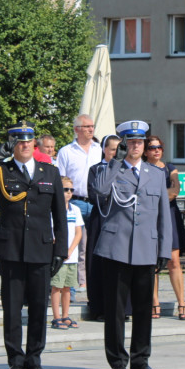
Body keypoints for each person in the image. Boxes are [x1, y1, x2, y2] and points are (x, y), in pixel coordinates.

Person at [0, 120, 67, 369]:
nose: (24, 145)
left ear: (34, 143)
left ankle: (34, 359)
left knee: (38, 306)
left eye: (27, 141)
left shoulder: (50, 172)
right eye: (18, 141)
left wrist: (62, 250)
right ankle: (15, 360)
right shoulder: (3, 171)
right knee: (12, 308)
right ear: (12, 145)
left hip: (41, 247)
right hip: (11, 248)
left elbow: (59, 214)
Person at [89, 120, 172, 369]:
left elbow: (163, 216)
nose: (136, 146)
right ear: (123, 144)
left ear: (145, 145)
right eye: (131, 142)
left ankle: (140, 359)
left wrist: (164, 250)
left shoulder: (156, 174)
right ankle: (117, 361)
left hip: (146, 248)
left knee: (143, 308)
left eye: (140, 142)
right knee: (115, 309)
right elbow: (99, 191)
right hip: (116, 247)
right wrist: (116, 161)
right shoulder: (111, 170)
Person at [144, 133, 185, 320]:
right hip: (149, 217)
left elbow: (175, 190)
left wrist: (154, 196)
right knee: (152, 262)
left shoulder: (170, 168)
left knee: (174, 261)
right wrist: (163, 194)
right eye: (152, 148)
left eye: (159, 147)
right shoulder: (143, 169)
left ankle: (182, 303)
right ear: (146, 151)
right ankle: (155, 302)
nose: (156, 151)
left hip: (169, 215)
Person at [84, 134, 119, 321]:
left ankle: (121, 307)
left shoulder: (124, 169)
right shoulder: (96, 169)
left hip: (120, 218)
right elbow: (93, 193)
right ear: (104, 149)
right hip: (101, 217)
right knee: (96, 261)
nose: (115, 153)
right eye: (112, 149)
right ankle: (98, 306)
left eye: (118, 149)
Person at [56, 114, 102, 225]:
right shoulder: (66, 151)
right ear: (77, 129)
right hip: (74, 201)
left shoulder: (100, 150)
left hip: (96, 202)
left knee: (94, 240)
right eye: (87, 126)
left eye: (92, 126)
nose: (91, 129)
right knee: (74, 239)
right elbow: (60, 179)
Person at [50, 176, 83, 329]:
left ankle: (65, 315)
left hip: (72, 255)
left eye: (71, 190)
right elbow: (51, 232)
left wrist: (70, 250)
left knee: (67, 287)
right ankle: (56, 316)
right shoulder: (52, 210)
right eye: (65, 190)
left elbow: (78, 233)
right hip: (58, 255)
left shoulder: (75, 209)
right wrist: (61, 250)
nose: (69, 193)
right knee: (56, 286)